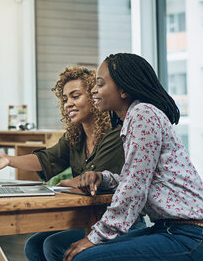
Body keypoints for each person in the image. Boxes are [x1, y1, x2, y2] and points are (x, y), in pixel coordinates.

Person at [0, 66, 134, 261]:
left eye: (75, 96)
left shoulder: (116, 134)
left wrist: (72, 182)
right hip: (87, 217)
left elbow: (90, 179)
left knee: (53, 245)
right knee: (33, 245)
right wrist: (8, 160)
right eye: (65, 99)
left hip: (118, 221)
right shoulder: (75, 137)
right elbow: (47, 159)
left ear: (95, 97)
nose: (68, 104)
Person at [63, 53, 203, 261]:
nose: (93, 90)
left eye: (100, 84)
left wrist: (96, 236)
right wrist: (104, 178)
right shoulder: (134, 118)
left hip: (189, 234)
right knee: (59, 249)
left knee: (85, 257)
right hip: (167, 228)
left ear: (124, 90)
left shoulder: (142, 114)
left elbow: (135, 187)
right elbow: (140, 178)